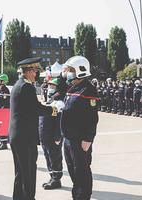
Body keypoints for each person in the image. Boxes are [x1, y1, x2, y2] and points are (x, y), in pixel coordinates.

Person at [9, 57, 64, 200]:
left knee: (20, 173)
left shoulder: (18, 84)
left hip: (18, 136)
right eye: (34, 71)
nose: (36, 74)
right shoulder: (26, 87)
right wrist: (54, 109)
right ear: (28, 71)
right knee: (28, 173)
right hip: (25, 137)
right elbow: (36, 108)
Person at [61, 56, 99, 200]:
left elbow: (92, 118)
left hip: (80, 139)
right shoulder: (72, 87)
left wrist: (88, 138)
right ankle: (76, 195)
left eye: (71, 70)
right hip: (68, 138)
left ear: (80, 71)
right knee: (73, 170)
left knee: (82, 171)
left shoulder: (88, 90)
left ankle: (83, 196)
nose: (68, 73)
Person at [39, 78, 64, 190]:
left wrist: (58, 136)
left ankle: (56, 179)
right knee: (48, 157)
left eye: (53, 86)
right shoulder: (49, 101)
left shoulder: (59, 103)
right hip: (45, 136)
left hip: (54, 137)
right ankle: (52, 177)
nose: (50, 88)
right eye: (49, 86)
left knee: (55, 157)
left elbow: (59, 121)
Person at [0, 73, 11, 150]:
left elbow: (6, 101)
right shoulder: (0, 90)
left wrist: (2, 110)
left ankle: (4, 144)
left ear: (4, 82)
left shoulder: (5, 90)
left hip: (3, 111)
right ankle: (1, 142)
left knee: (2, 128)